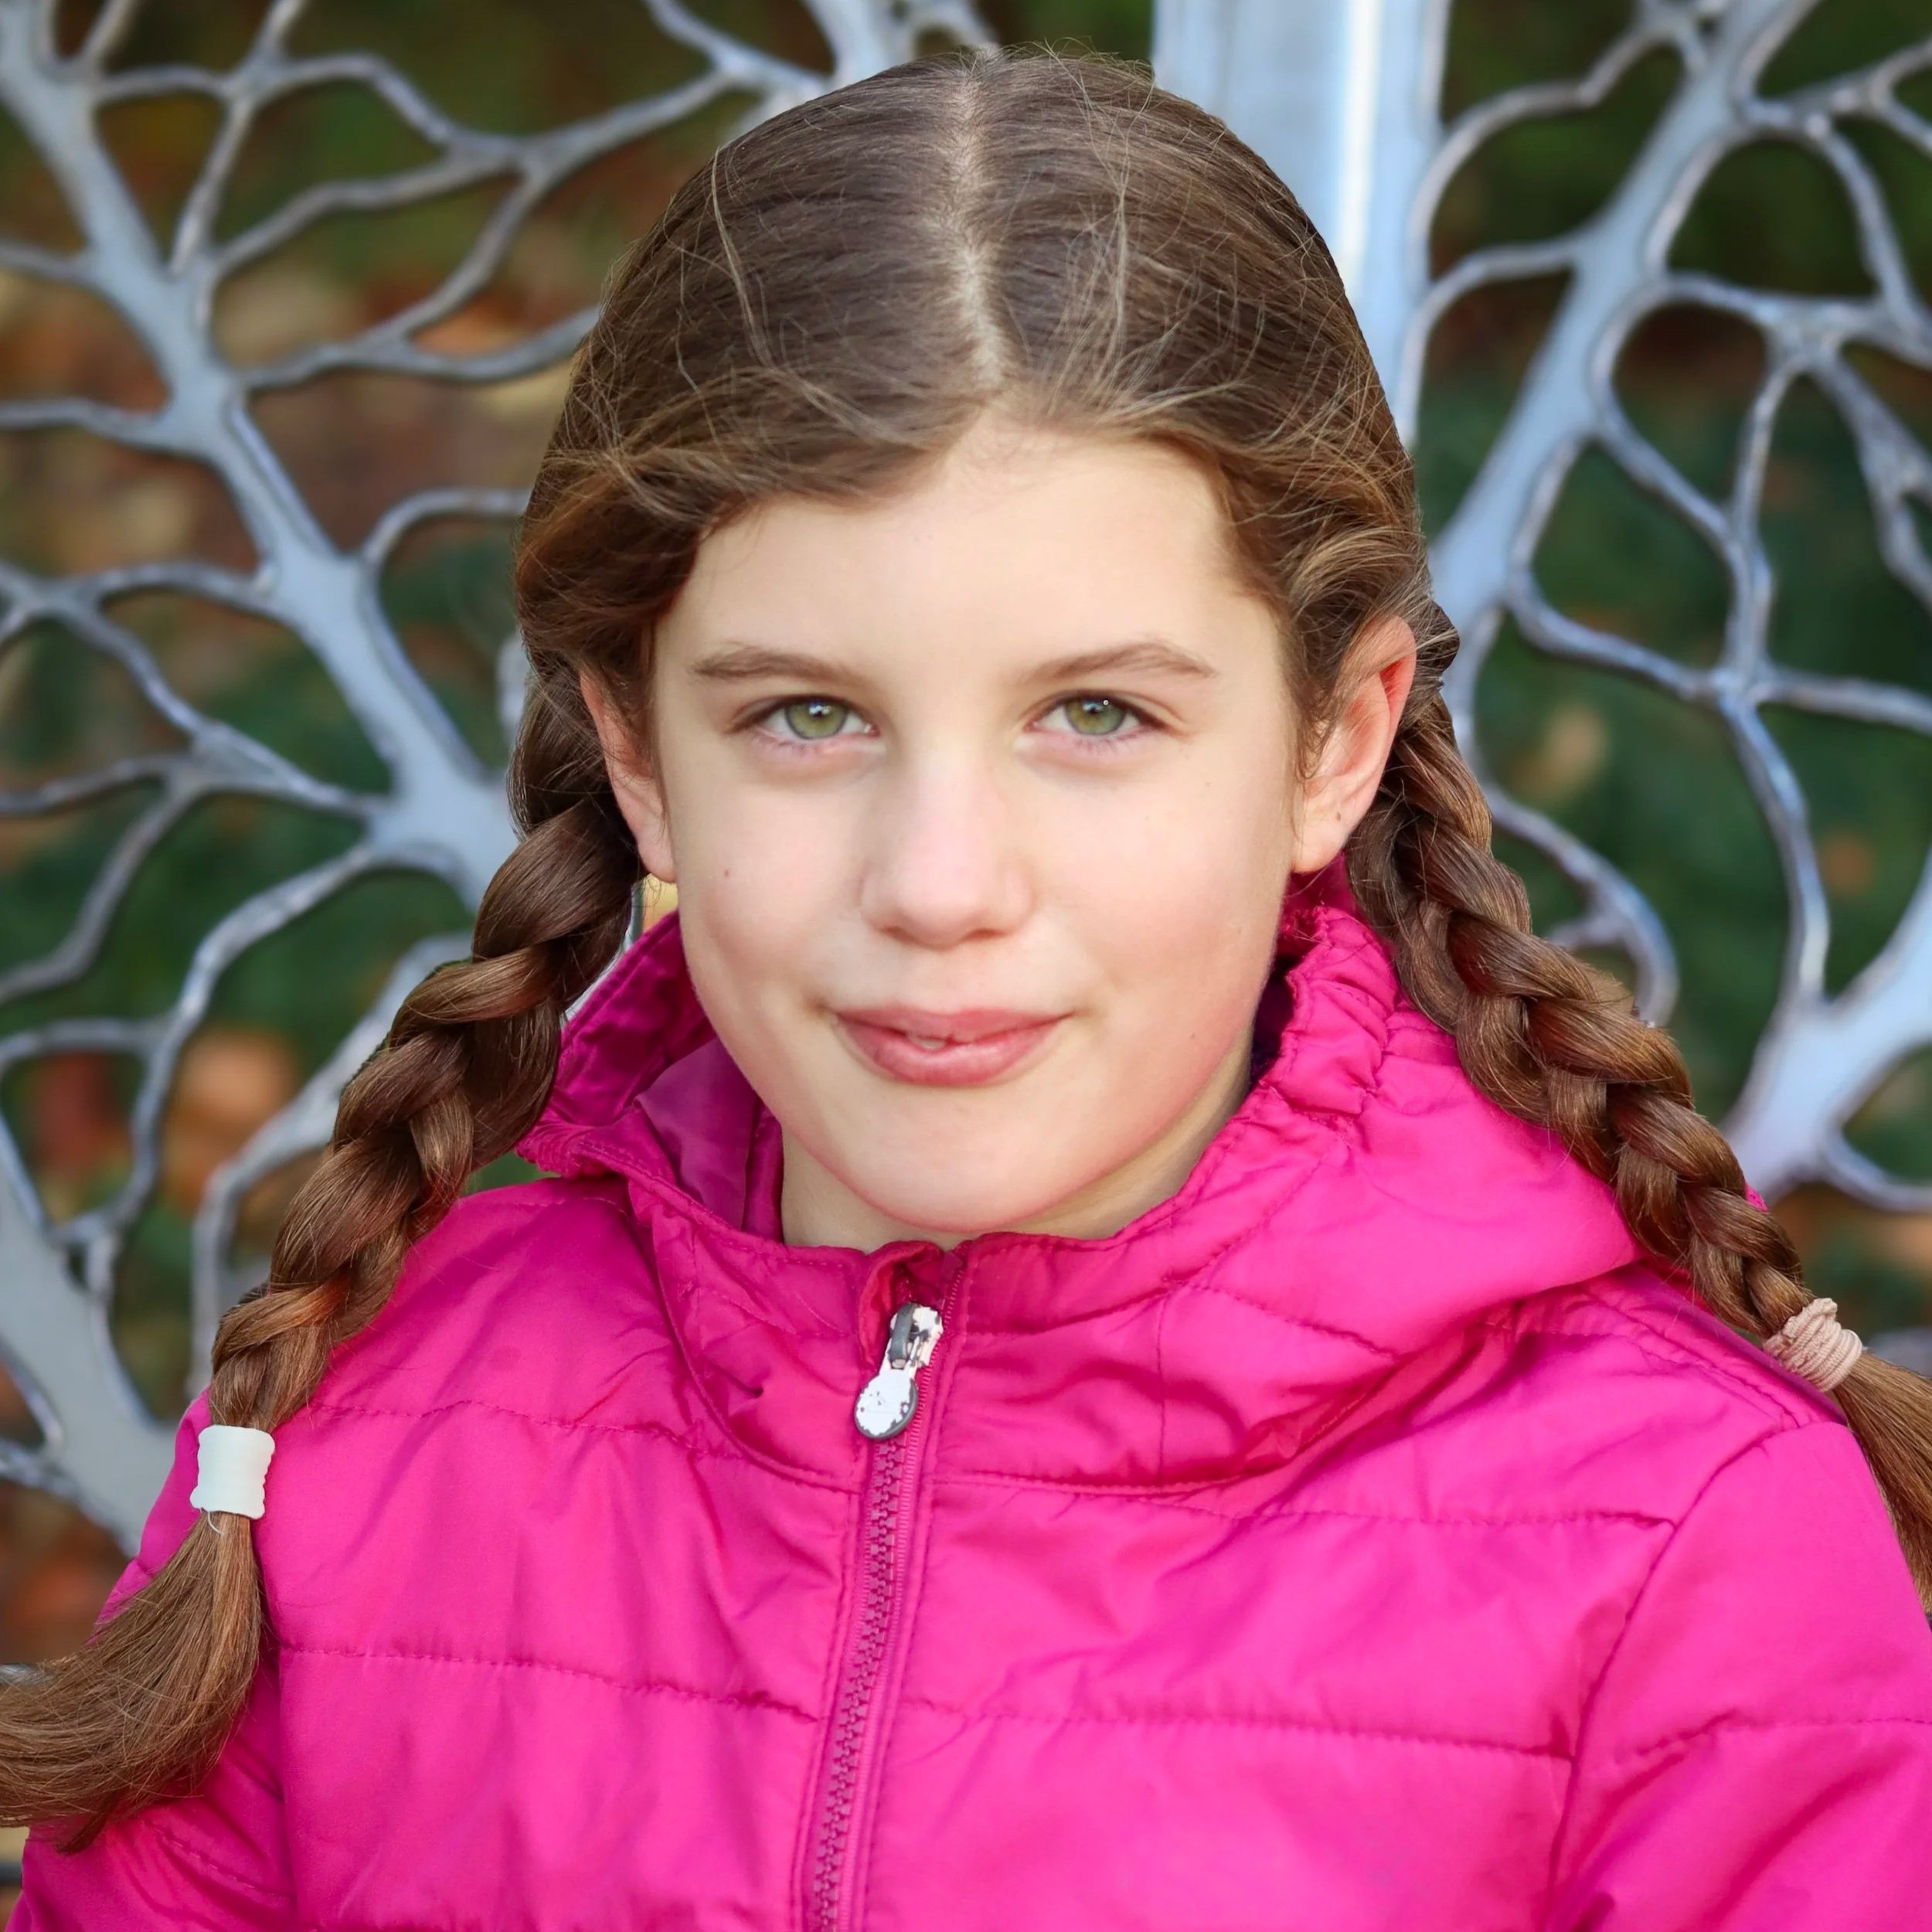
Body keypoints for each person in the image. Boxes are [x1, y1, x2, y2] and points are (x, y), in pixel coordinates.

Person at [6, 40, 1932, 1931]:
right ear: (639, 746)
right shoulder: (361, 1437)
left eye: (1093, 713)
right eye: (807, 716)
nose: (938, 885)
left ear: (1334, 737)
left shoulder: (1686, 1545)